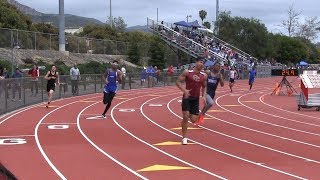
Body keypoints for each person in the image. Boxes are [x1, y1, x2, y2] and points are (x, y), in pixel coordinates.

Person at [176, 57, 207, 145]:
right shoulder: (187, 72)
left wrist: (203, 96)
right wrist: (184, 90)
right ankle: (184, 137)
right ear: (196, 62)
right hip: (187, 97)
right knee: (185, 116)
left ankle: (195, 113)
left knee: (194, 120)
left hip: (195, 99)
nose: (201, 64)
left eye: (203, 63)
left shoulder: (204, 75)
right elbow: (178, 81)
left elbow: (204, 86)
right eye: (200, 62)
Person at [196, 61, 224, 125]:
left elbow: (222, 85)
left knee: (206, 105)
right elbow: (200, 75)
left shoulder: (219, 75)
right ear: (213, 66)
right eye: (216, 66)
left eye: (219, 66)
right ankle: (202, 114)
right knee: (211, 103)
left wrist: (221, 77)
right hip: (205, 91)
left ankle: (199, 117)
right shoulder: (208, 72)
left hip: (212, 93)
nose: (217, 67)